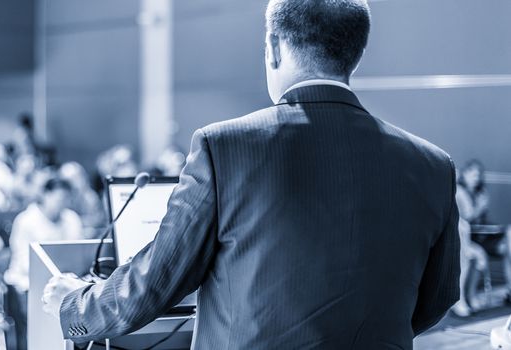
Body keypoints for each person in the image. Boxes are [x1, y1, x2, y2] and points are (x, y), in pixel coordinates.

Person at [42, 0, 460, 348]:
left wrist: (74, 304)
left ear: (274, 47)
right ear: (357, 53)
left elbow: (154, 284)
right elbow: (436, 299)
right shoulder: (433, 166)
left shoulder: (225, 147)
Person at [452, 160, 511, 316]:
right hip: (462, 238)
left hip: (478, 236)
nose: (476, 178)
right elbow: (467, 217)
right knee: (475, 256)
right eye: (473, 174)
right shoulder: (460, 192)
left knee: (506, 244)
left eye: (478, 175)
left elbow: (481, 220)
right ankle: (463, 298)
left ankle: (508, 290)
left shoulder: (480, 192)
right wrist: (480, 206)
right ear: (464, 174)